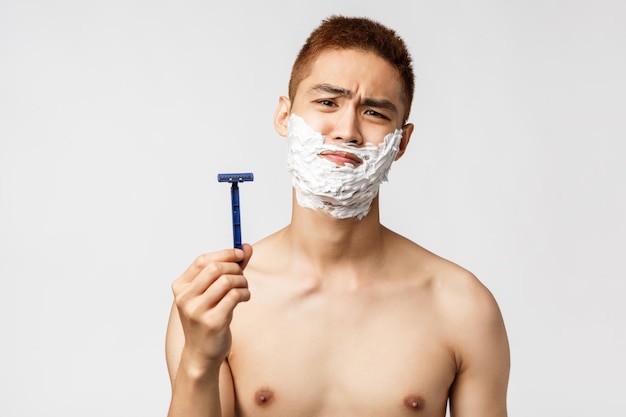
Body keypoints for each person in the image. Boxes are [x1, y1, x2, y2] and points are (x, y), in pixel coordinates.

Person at [165, 15, 510, 417]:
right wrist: (199, 362)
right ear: (284, 116)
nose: (347, 130)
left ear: (402, 142)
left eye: (375, 113)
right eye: (328, 102)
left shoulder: (461, 306)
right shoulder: (218, 301)